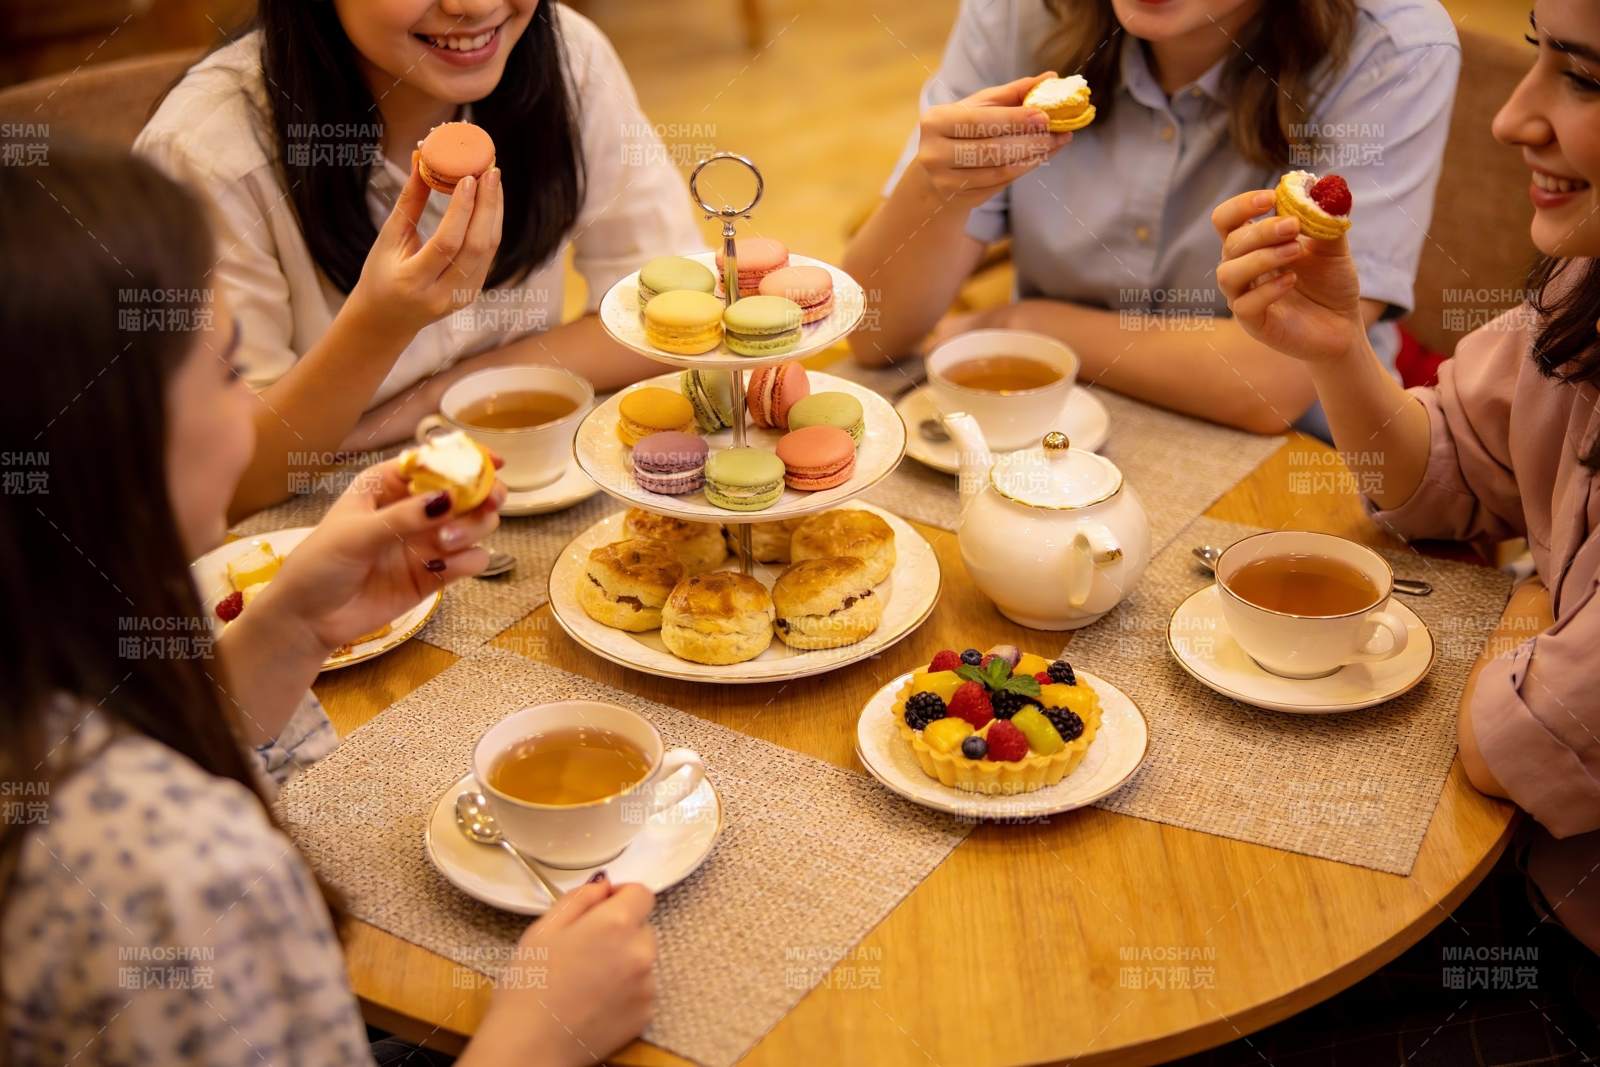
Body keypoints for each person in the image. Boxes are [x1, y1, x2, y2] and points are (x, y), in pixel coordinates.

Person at [0, 144, 659, 1067]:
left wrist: (291, 627)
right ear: (116, 444)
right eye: (231, 372)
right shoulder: (181, 880)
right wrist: (536, 1038)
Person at [1203, 0, 1599, 1055]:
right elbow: (1442, 482)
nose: (1513, 117)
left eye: (1584, 79)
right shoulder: (1584, 292)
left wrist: (1526, 619)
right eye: (1535, 63)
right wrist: (1334, 347)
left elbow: (1507, 737)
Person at [136, 0, 703, 517]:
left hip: (522, 474)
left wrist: (438, 396)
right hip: (311, 519)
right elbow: (228, 485)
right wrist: (379, 326)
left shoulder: (566, 56)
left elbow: (675, 319)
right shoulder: (206, 155)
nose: (475, 7)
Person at [844, 0, 1459, 437]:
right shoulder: (1018, 13)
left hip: (1294, 465)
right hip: (1049, 429)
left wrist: (1022, 321)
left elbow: (1275, 382)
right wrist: (936, 187)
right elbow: (875, 336)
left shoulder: (1392, 47)